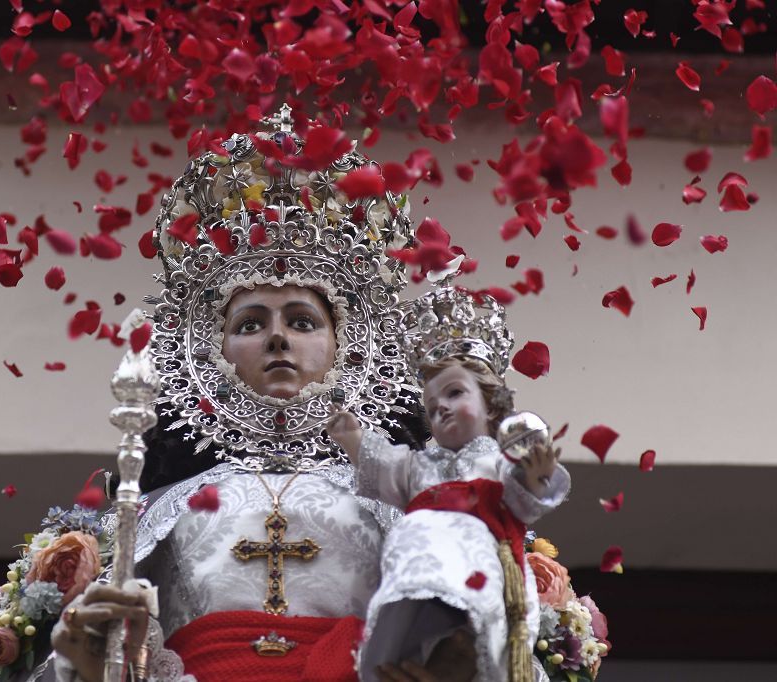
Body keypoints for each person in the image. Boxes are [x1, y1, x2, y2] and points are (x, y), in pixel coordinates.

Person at [28, 107, 450, 682]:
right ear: (211, 350)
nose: (277, 335)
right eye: (250, 323)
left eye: (302, 320)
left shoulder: (400, 499)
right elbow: (93, 661)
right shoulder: (158, 508)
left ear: (346, 345)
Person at [327, 286, 570, 682]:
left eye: (454, 393)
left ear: (492, 404)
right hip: (419, 558)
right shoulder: (420, 465)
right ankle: (409, 654)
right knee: (412, 622)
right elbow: (385, 467)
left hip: (480, 553)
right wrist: (352, 439)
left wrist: (534, 475)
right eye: (431, 405)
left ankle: (465, 653)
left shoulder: (498, 460)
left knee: (478, 627)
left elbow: (524, 503)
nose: (440, 406)